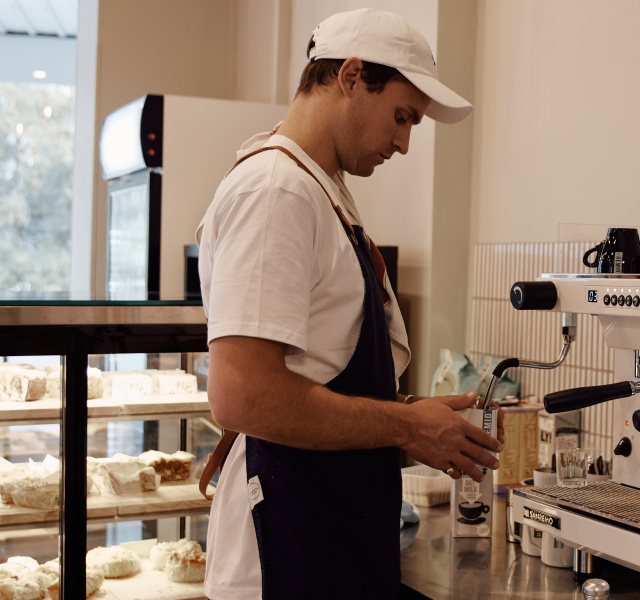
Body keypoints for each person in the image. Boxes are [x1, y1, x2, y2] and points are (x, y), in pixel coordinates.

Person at [195, 8, 504, 600]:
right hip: (283, 551)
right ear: (352, 76)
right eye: (402, 116)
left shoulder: (319, 189)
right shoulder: (276, 192)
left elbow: (316, 370)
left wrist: (409, 415)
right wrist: (406, 425)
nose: (405, 143)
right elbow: (242, 393)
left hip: (325, 536)